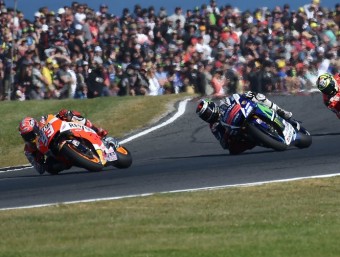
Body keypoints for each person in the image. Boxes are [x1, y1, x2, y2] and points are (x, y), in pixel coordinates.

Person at [18, 109, 119, 174]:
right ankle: (75, 158)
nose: (29, 138)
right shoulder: (29, 149)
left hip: (64, 132)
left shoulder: (43, 121)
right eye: (26, 136)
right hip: (58, 154)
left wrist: (63, 114)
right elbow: (40, 169)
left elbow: (54, 118)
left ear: (35, 127)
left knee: (70, 113)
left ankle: (97, 130)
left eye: (30, 134)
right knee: (50, 167)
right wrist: (37, 158)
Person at [196, 91, 293, 155]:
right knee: (233, 150)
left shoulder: (223, 103)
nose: (207, 117)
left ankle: (281, 111)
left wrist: (245, 95)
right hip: (239, 132)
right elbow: (223, 144)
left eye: (207, 113)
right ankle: (259, 139)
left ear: (212, 106)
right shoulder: (214, 126)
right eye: (204, 116)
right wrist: (227, 136)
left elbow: (236, 97)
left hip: (245, 112)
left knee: (257, 96)